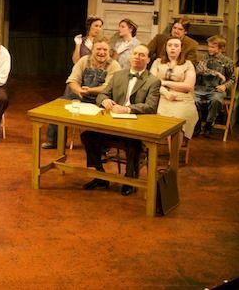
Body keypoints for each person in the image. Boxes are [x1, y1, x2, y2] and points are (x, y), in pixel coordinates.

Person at [81, 44, 161, 196]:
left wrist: (128, 109)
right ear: (131, 57)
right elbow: (102, 94)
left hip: (135, 127)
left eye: (142, 55)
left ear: (148, 60)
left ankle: (129, 179)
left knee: (133, 144)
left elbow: (150, 106)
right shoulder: (118, 75)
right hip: (113, 124)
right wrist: (104, 101)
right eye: (135, 53)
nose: (137, 57)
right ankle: (100, 175)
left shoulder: (153, 81)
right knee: (87, 135)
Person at [42, 37, 121, 149]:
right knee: (58, 106)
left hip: (102, 98)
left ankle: (102, 147)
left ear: (109, 51)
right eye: (98, 49)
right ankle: (54, 141)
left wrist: (89, 90)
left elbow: (108, 87)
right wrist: (78, 90)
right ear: (92, 50)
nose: (101, 52)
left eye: (105, 50)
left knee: (105, 115)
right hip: (81, 95)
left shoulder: (114, 65)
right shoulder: (84, 60)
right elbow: (72, 80)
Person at [150, 37, 198, 146]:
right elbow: (153, 83)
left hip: (182, 98)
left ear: (181, 49)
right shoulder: (157, 62)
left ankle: (173, 157)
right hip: (161, 96)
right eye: (170, 45)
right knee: (155, 115)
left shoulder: (188, 64)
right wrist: (166, 93)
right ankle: (151, 153)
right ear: (165, 48)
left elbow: (188, 86)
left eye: (176, 46)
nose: (173, 48)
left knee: (178, 119)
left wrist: (165, 83)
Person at [194, 35, 236, 135]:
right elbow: (201, 70)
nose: (209, 49)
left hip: (216, 89)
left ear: (221, 48)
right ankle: (197, 123)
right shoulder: (205, 57)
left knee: (216, 100)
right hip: (202, 88)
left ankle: (209, 124)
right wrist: (217, 73)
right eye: (209, 46)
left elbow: (232, 78)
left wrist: (225, 86)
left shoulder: (227, 61)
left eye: (212, 47)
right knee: (193, 99)